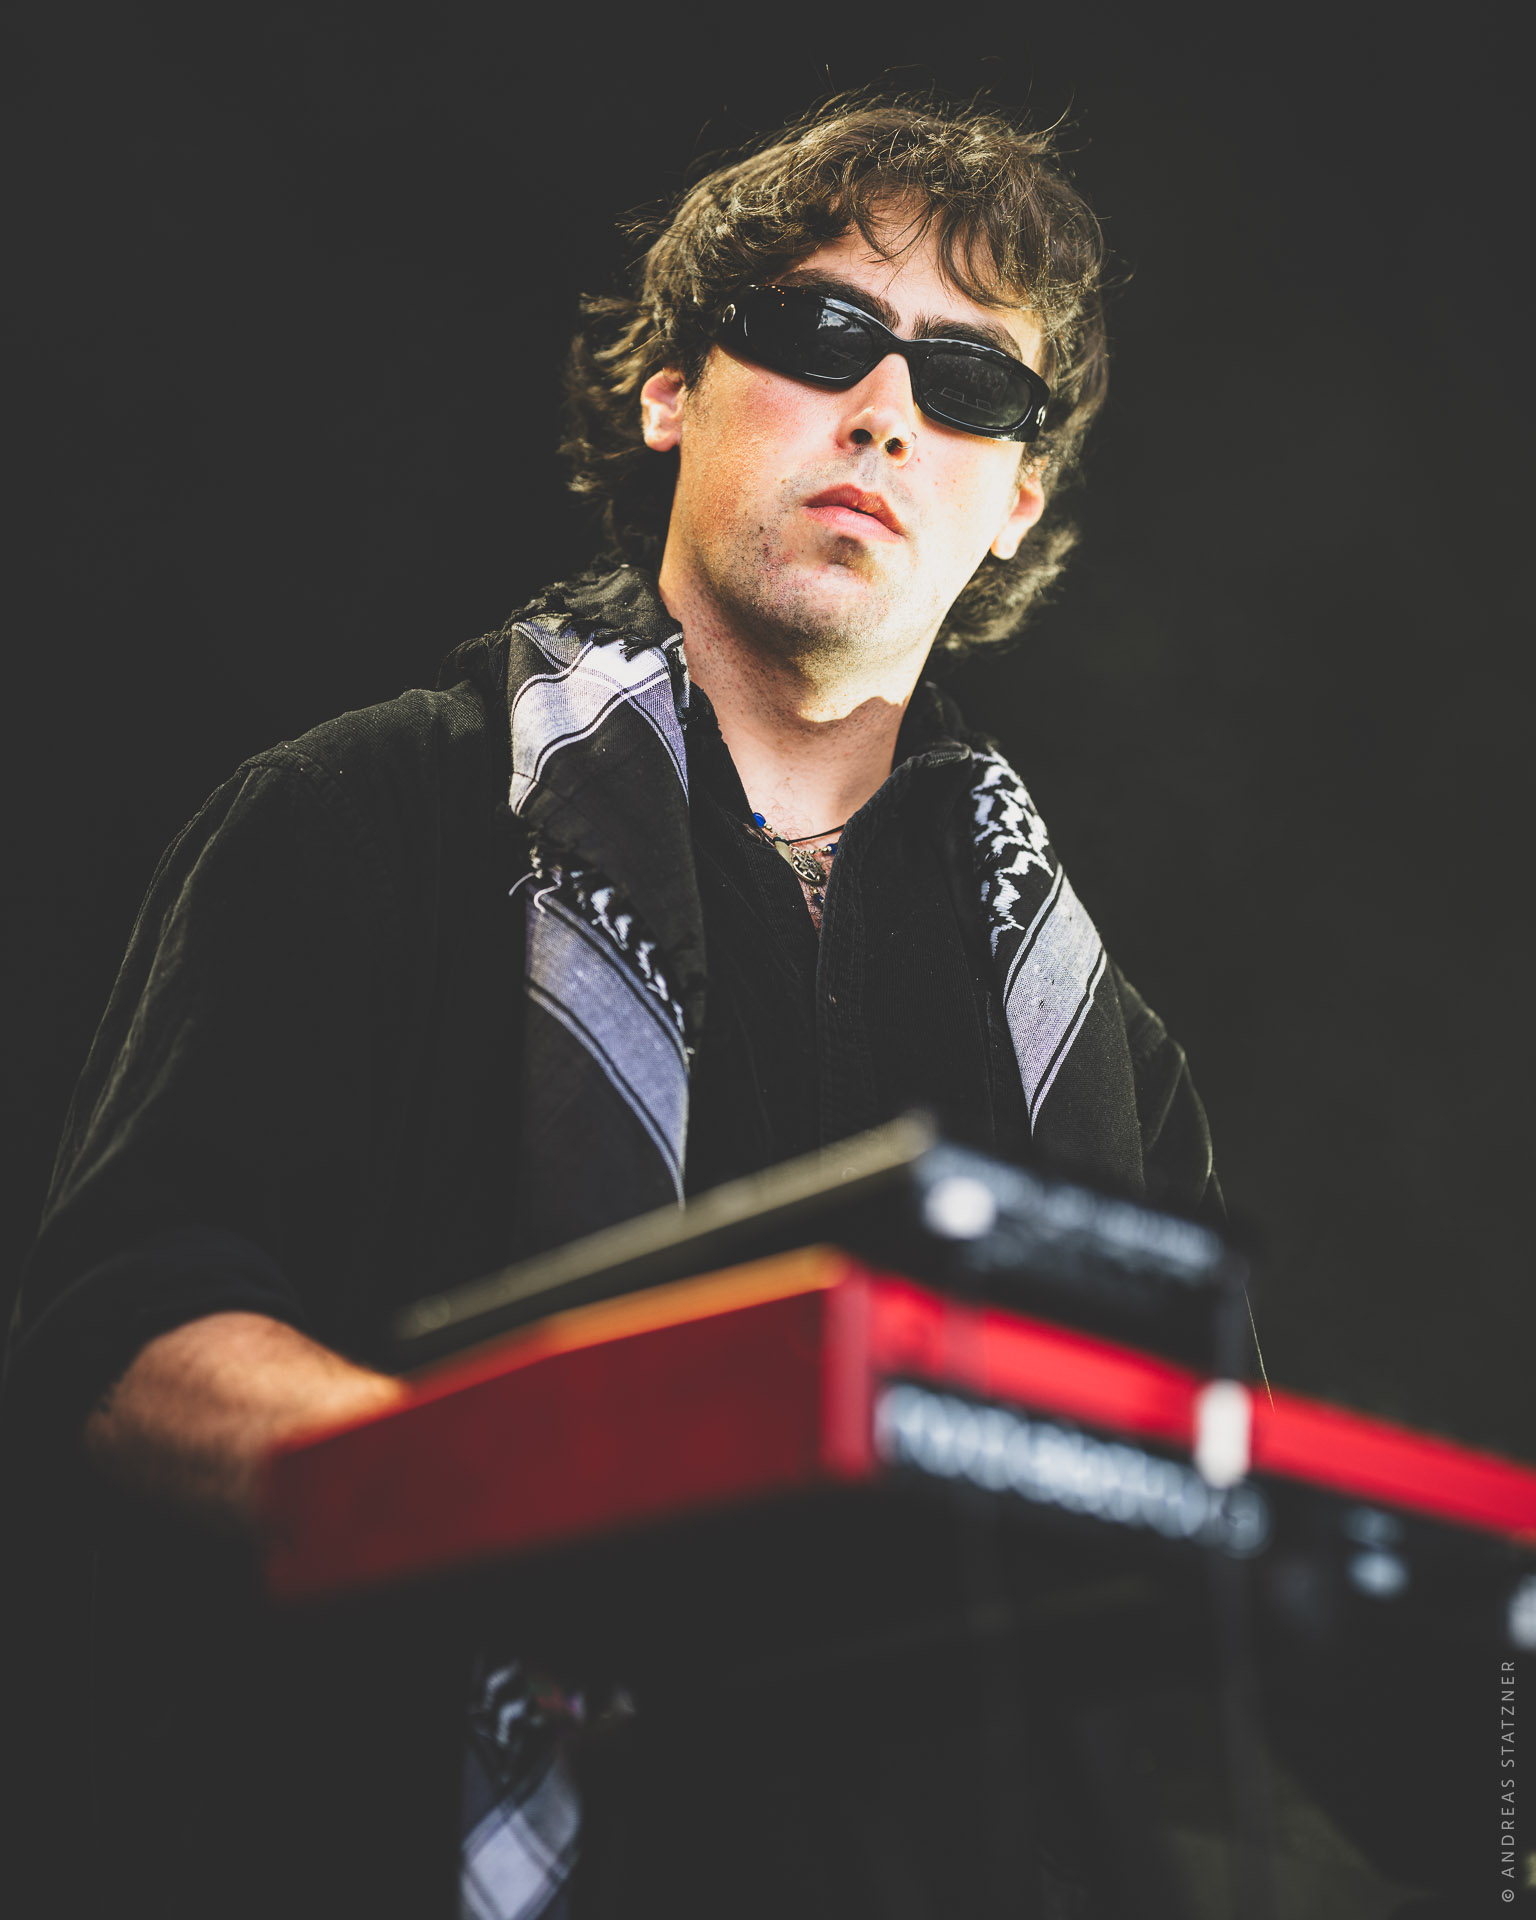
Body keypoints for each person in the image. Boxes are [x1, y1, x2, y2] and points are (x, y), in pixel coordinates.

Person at [1, 98, 1220, 1918]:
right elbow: (121, 1341)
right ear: (672, 392)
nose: (888, 411)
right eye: (821, 334)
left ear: (1017, 502)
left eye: (972, 383)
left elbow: (1194, 1579)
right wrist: (531, 1501)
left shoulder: (1107, 1050)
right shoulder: (363, 816)